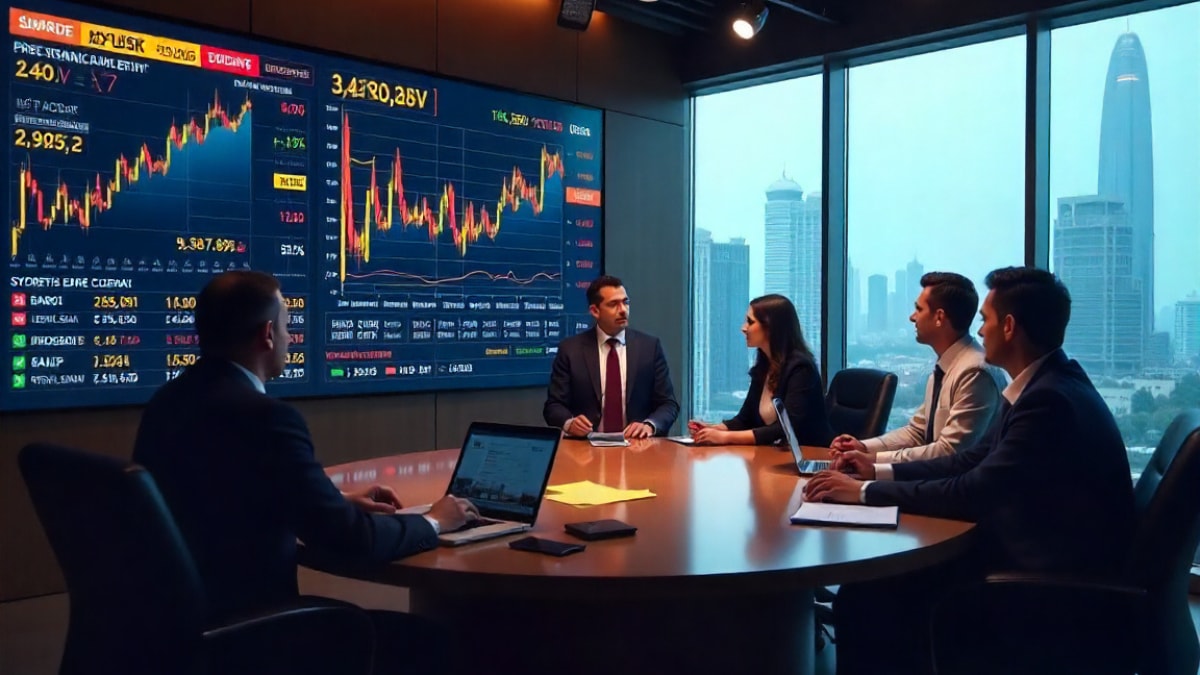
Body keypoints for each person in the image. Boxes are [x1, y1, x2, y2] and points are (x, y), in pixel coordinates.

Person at [134, 271, 476, 675]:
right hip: (252, 636)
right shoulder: (267, 418)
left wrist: (333, 502)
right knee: (432, 641)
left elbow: (216, 492)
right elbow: (353, 540)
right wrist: (434, 521)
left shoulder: (167, 402)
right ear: (266, 335)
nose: (291, 338)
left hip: (173, 626)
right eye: (287, 327)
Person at [805, 266, 1135, 675]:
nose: (980, 332)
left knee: (867, 595)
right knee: (873, 589)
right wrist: (874, 474)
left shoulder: (1047, 401)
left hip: (1045, 578)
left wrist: (862, 494)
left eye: (987, 320)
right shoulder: (1045, 384)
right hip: (1037, 551)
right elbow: (971, 459)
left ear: (1010, 326)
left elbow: (972, 490)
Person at [830, 272, 1006, 463]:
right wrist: (863, 447)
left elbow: (949, 451)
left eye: (919, 309)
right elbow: (918, 432)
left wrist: (873, 460)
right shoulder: (945, 368)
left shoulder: (974, 372)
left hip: (957, 489)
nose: (912, 317)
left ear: (939, 317)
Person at [543, 275, 680, 438]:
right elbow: (553, 406)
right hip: (587, 449)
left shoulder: (649, 348)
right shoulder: (571, 350)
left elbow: (668, 404)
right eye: (613, 304)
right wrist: (569, 423)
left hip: (637, 447)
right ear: (595, 311)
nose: (623, 310)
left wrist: (649, 425)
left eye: (625, 302)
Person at [689, 294, 833, 446]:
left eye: (750, 322)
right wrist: (712, 429)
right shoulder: (764, 366)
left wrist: (725, 437)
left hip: (812, 456)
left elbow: (786, 429)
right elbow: (745, 420)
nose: (743, 328)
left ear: (770, 328)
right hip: (774, 456)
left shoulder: (801, 368)